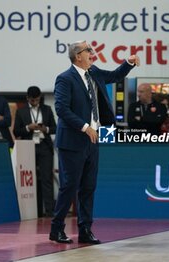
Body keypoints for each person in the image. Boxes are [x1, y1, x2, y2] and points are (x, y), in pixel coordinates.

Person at [49, 40, 140, 244]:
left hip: (93, 139)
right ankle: (56, 229)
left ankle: (85, 230)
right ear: (77, 56)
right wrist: (84, 126)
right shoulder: (65, 79)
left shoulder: (94, 72)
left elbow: (115, 76)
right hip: (73, 140)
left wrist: (129, 62)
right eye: (88, 50)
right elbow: (61, 109)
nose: (92, 52)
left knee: (89, 186)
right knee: (70, 186)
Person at [13, 86, 57, 217]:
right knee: (30, 180)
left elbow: (55, 128)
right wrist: (28, 127)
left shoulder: (47, 109)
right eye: (32, 100)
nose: (35, 102)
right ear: (28, 98)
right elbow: (16, 131)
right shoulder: (21, 112)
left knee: (46, 179)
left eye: (37, 100)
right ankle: (34, 212)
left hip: (44, 146)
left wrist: (46, 129)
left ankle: (49, 211)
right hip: (28, 146)